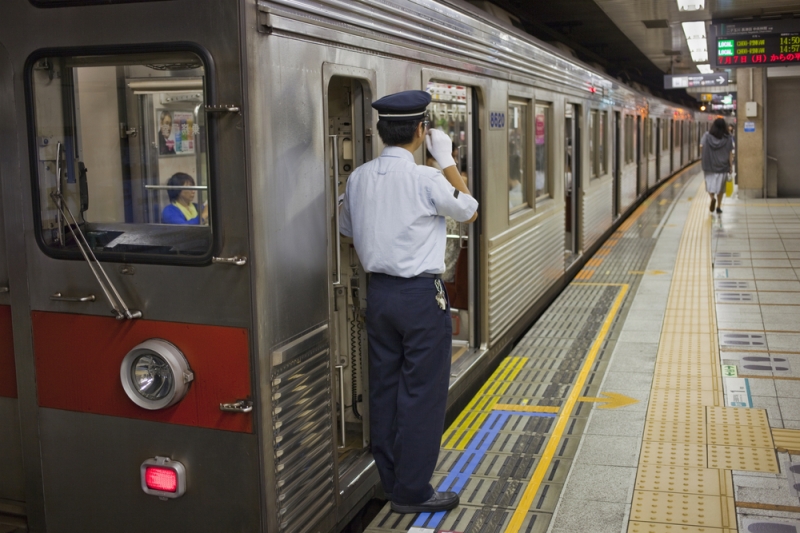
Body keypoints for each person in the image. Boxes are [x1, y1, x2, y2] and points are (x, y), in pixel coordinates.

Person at [339, 90, 478, 514]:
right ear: (421, 131)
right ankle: (412, 492)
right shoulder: (427, 179)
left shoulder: (358, 177)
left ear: (381, 131)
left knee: (384, 389)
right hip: (419, 298)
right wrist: (449, 161)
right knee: (421, 394)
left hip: (378, 294)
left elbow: (346, 228)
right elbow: (469, 209)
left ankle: (391, 479)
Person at [700, 118, 734, 214]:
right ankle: (718, 207)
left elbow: (701, 146)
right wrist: (730, 166)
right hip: (722, 166)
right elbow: (730, 153)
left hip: (709, 165)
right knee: (721, 188)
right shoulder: (728, 138)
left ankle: (712, 198)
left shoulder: (706, 136)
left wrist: (704, 155)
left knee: (710, 185)